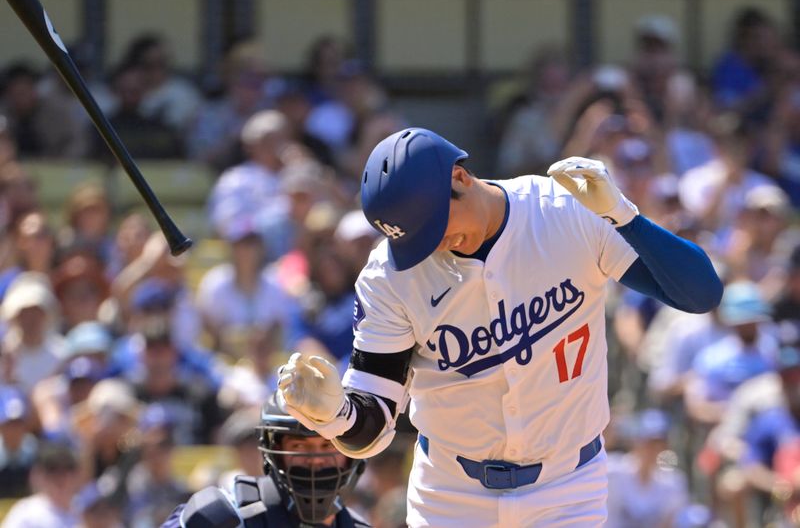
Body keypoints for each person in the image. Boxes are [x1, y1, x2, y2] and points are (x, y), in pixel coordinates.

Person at [276, 127, 723, 527]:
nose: (432, 246)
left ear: (460, 178)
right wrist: (334, 415)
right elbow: (372, 428)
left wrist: (625, 217)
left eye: (433, 228)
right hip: (451, 494)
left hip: (568, 488)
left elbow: (699, 294)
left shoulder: (564, 210)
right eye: (413, 239)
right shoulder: (390, 275)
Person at [160, 392, 369, 527]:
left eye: (328, 446)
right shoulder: (220, 517)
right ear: (274, 451)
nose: (315, 461)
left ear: (352, 454)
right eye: (299, 446)